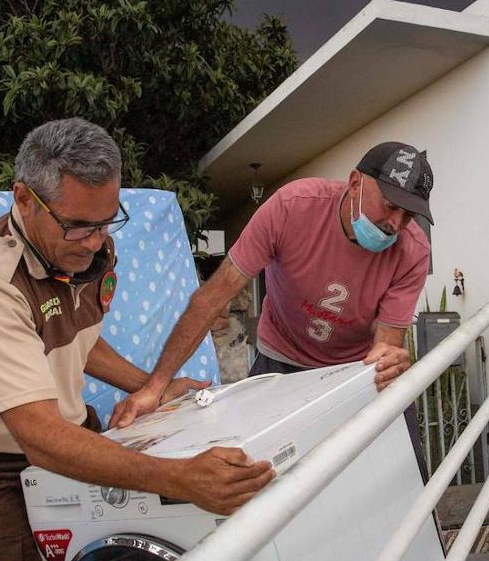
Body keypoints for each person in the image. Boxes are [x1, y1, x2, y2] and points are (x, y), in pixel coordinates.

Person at [0, 118, 274, 561]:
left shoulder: (88, 248)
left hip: (60, 435)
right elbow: (40, 439)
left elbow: (80, 340)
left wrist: (151, 387)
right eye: (78, 225)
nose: (94, 241)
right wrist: (179, 478)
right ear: (23, 198)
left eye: (106, 222)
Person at [111, 142, 434, 446]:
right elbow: (213, 297)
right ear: (354, 183)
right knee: (262, 472)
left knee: (405, 468)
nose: (396, 223)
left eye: (408, 215)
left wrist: (390, 361)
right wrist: (154, 387)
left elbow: (386, 344)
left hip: (354, 369)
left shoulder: (414, 251)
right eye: (390, 206)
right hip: (279, 359)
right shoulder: (292, 207)